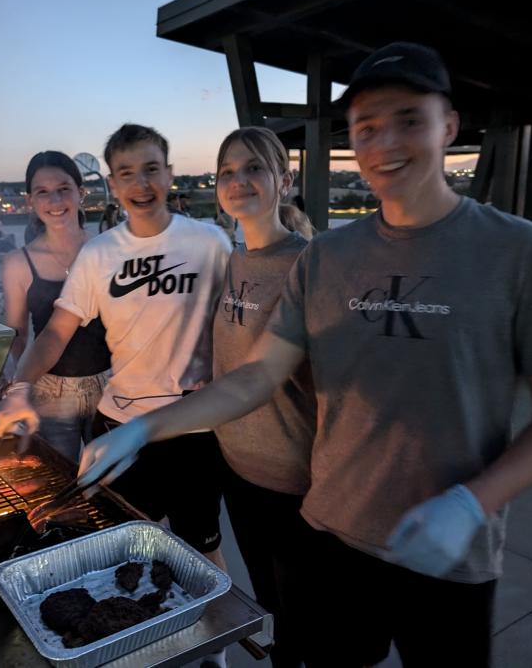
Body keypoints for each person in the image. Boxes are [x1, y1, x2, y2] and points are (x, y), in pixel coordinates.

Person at [79, 43, 532, 668]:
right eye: (367, 128)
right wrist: (145, 427)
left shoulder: (521, 252)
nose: (385, 142)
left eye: (409, 119)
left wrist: (473, 501)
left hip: (449, 555)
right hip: (328, 533)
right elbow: (257, 375)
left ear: (449, 126)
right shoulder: (328, 260)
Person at [0, 123, 232, 574]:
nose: (141, 185)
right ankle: (152, 633)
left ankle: (215, 647)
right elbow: (56, 332)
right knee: (129, 543)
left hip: (192, 430)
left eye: (151, 170)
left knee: (202, 547)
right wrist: (20, 384)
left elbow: (234, 321)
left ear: (169, 174)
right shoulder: (99, 254)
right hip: (119, 421)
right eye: (126, 173)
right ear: (112, 183)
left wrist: (224, 369)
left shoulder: (210, 243)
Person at [208, 126, 317, 666]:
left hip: (293, 477)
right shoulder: (231, 261)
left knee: (306, 618)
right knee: (272, 604)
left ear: (284, 180)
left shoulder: (308, 264)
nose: (239, 180)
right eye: (228, 171)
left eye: (254, 168)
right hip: (236, 468)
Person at [0, 151, 111, 462]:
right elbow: (17, 333)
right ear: (30, 201)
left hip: (110, 383)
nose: (55, 200)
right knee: (59, 483)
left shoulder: (107, 249)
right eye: (42, 192)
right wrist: (18, 384)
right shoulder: (19, 263)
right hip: (49, 392)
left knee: (115, 485)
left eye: (64, 188)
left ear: (81, 193)